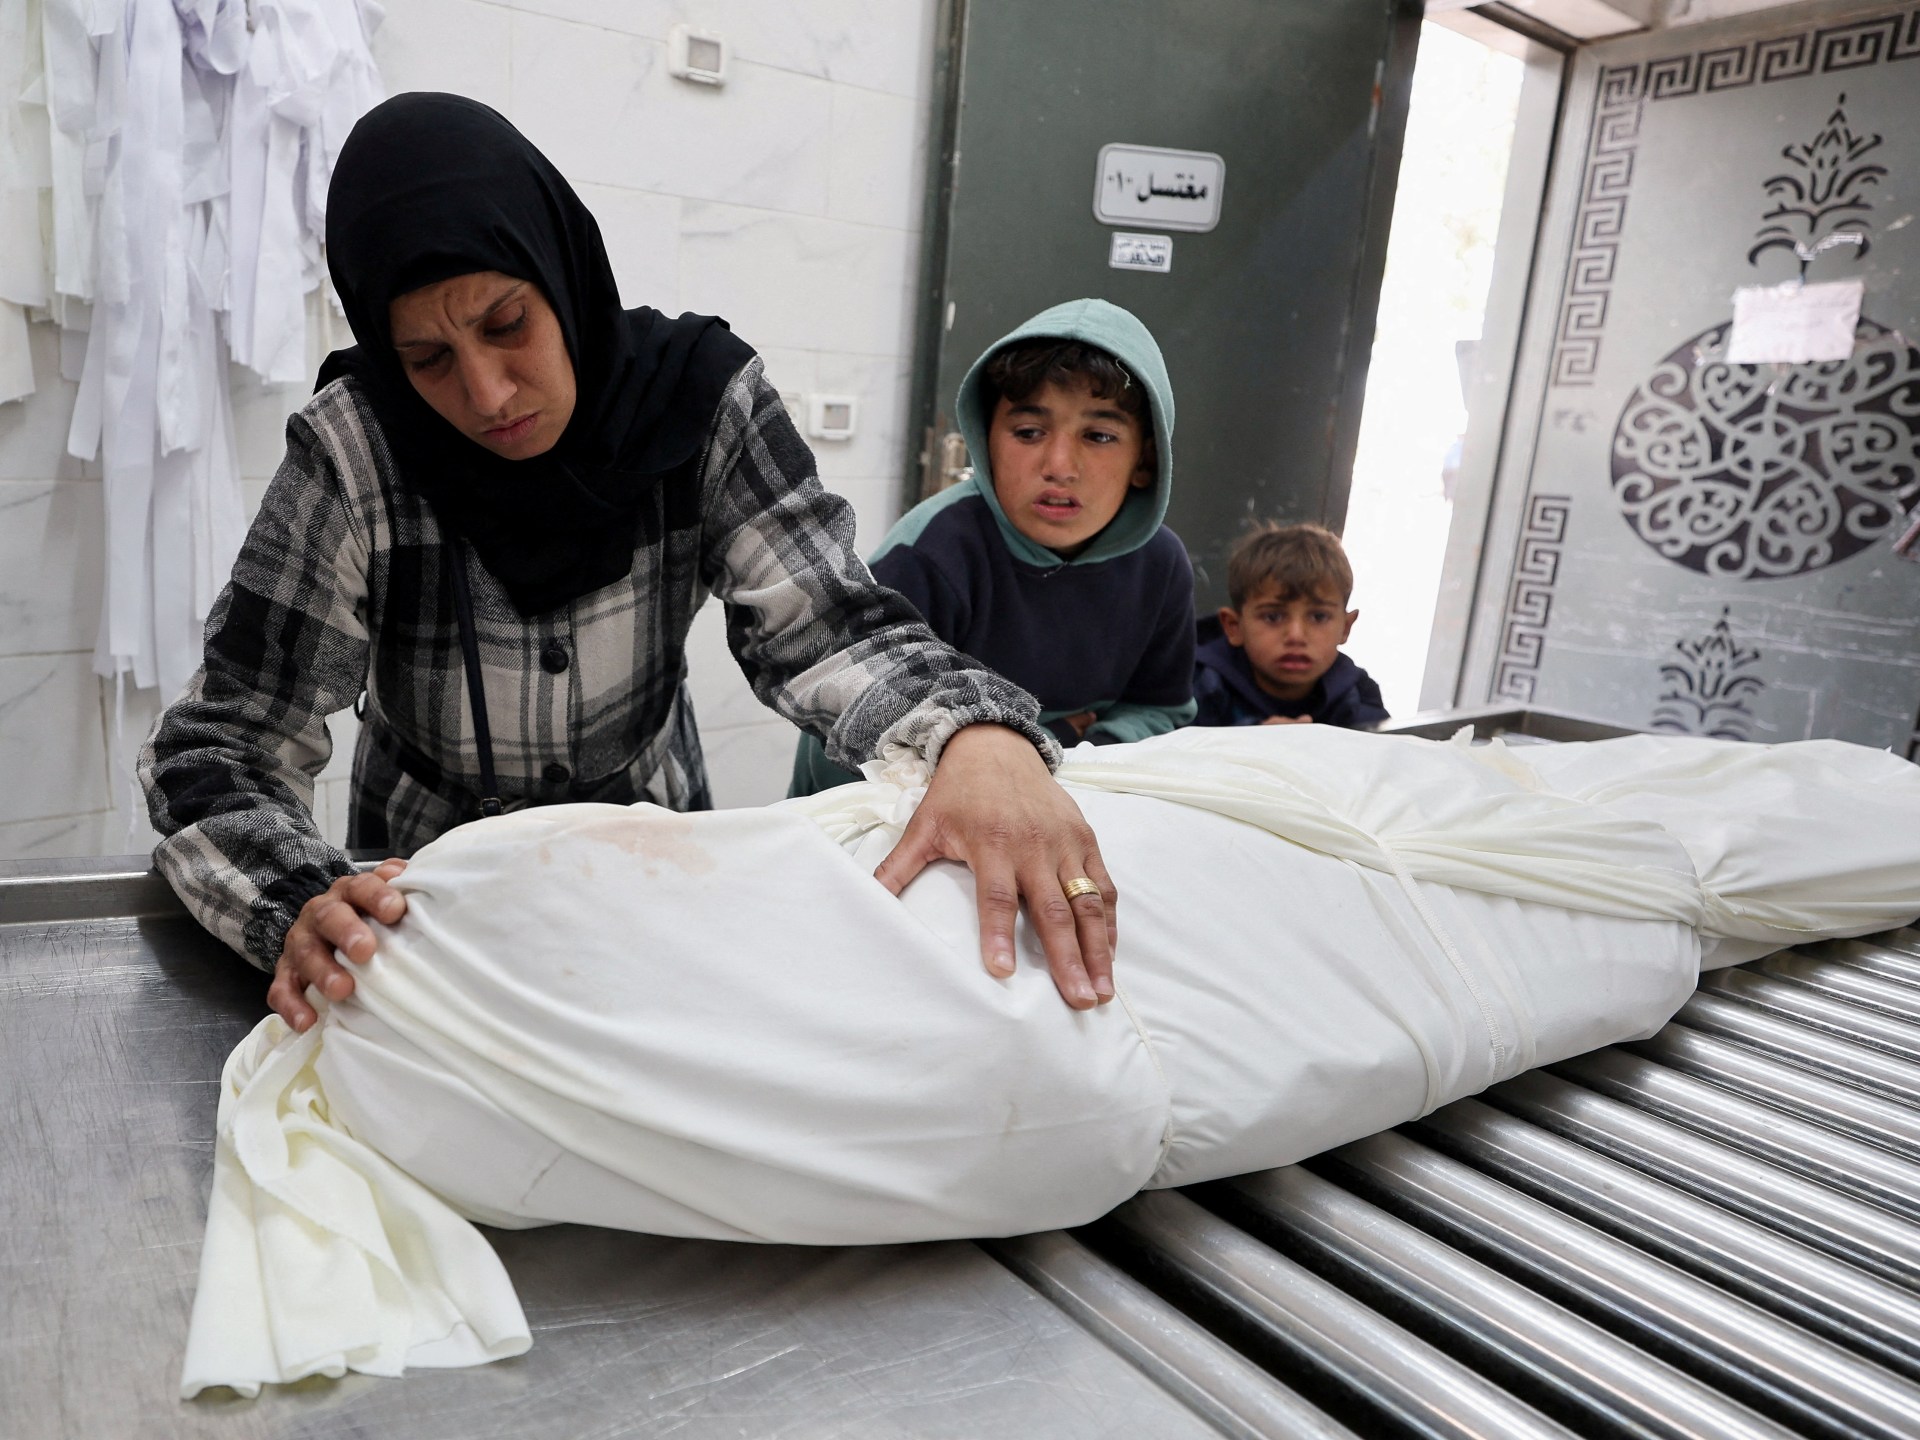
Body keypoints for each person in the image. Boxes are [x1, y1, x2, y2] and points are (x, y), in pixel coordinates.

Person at [138, 93, 1120, 1024]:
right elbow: (223, 744)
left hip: (655, 863)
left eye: (507, 325)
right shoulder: (359, 451)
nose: (487, 394)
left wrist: (971, 738)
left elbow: (826, 627)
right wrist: (293, 902)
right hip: (428, 899)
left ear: (561, 273)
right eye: (429, 360)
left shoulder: (699, 406)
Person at [789, 299, 1195, 794]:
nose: (1059, 466)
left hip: (1089, 796)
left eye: (1099, 435)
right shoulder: (928, 557)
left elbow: (1160, 709)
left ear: (1145, 461)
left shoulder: (1161, 564)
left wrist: (1080, 754)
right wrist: (1056, 740)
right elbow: (855, 747)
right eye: (1028, 432)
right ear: (986, 441)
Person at [1192, 521, 1387, 729]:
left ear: (1345, 628)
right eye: (1273, 617)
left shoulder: (1357, 695)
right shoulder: (1197, 686)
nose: (1296, 636)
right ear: (1234, 627)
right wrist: (1249, 739)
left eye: (1319, 617)